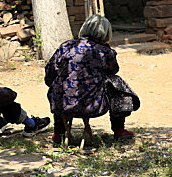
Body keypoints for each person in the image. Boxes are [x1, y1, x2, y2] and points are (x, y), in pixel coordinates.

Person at [45, 14, 140, 144]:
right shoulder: (105, 52)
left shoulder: (66, 46)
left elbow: (49, 74)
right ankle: (119, 129)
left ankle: (59, 133)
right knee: (116, 82)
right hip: (92, 105)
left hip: (61, 105)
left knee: (60, 86)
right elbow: (113, 71)